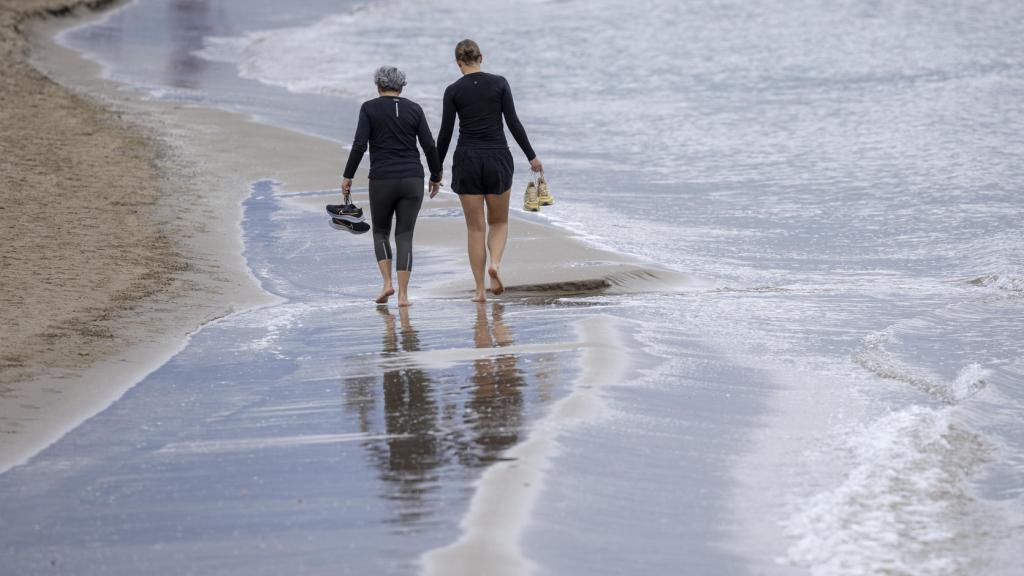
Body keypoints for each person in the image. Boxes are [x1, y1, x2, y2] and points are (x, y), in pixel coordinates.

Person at [435, 39, 543, 303]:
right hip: (497, 157)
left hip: (467, 159)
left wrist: (435, 173)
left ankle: (480, 290)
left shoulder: (453, 91)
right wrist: (532, 156)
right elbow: (513, 123)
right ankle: (495, 262)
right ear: (481, 57)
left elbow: (445, 134)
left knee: (475, 229)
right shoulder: (499, 83)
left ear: (458, 62)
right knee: (499, 222)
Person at [341, 66, 442, 307]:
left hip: (382, 179)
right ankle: (404, 296)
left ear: (378, 86)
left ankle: (387, 284)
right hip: (412, 179)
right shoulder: (415, 109)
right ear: (401, 86)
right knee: (405, 235)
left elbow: (359, 145)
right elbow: (429, 145)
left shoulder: (369, 108)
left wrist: (348, 176)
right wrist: (436, 175)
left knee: (381, 232)